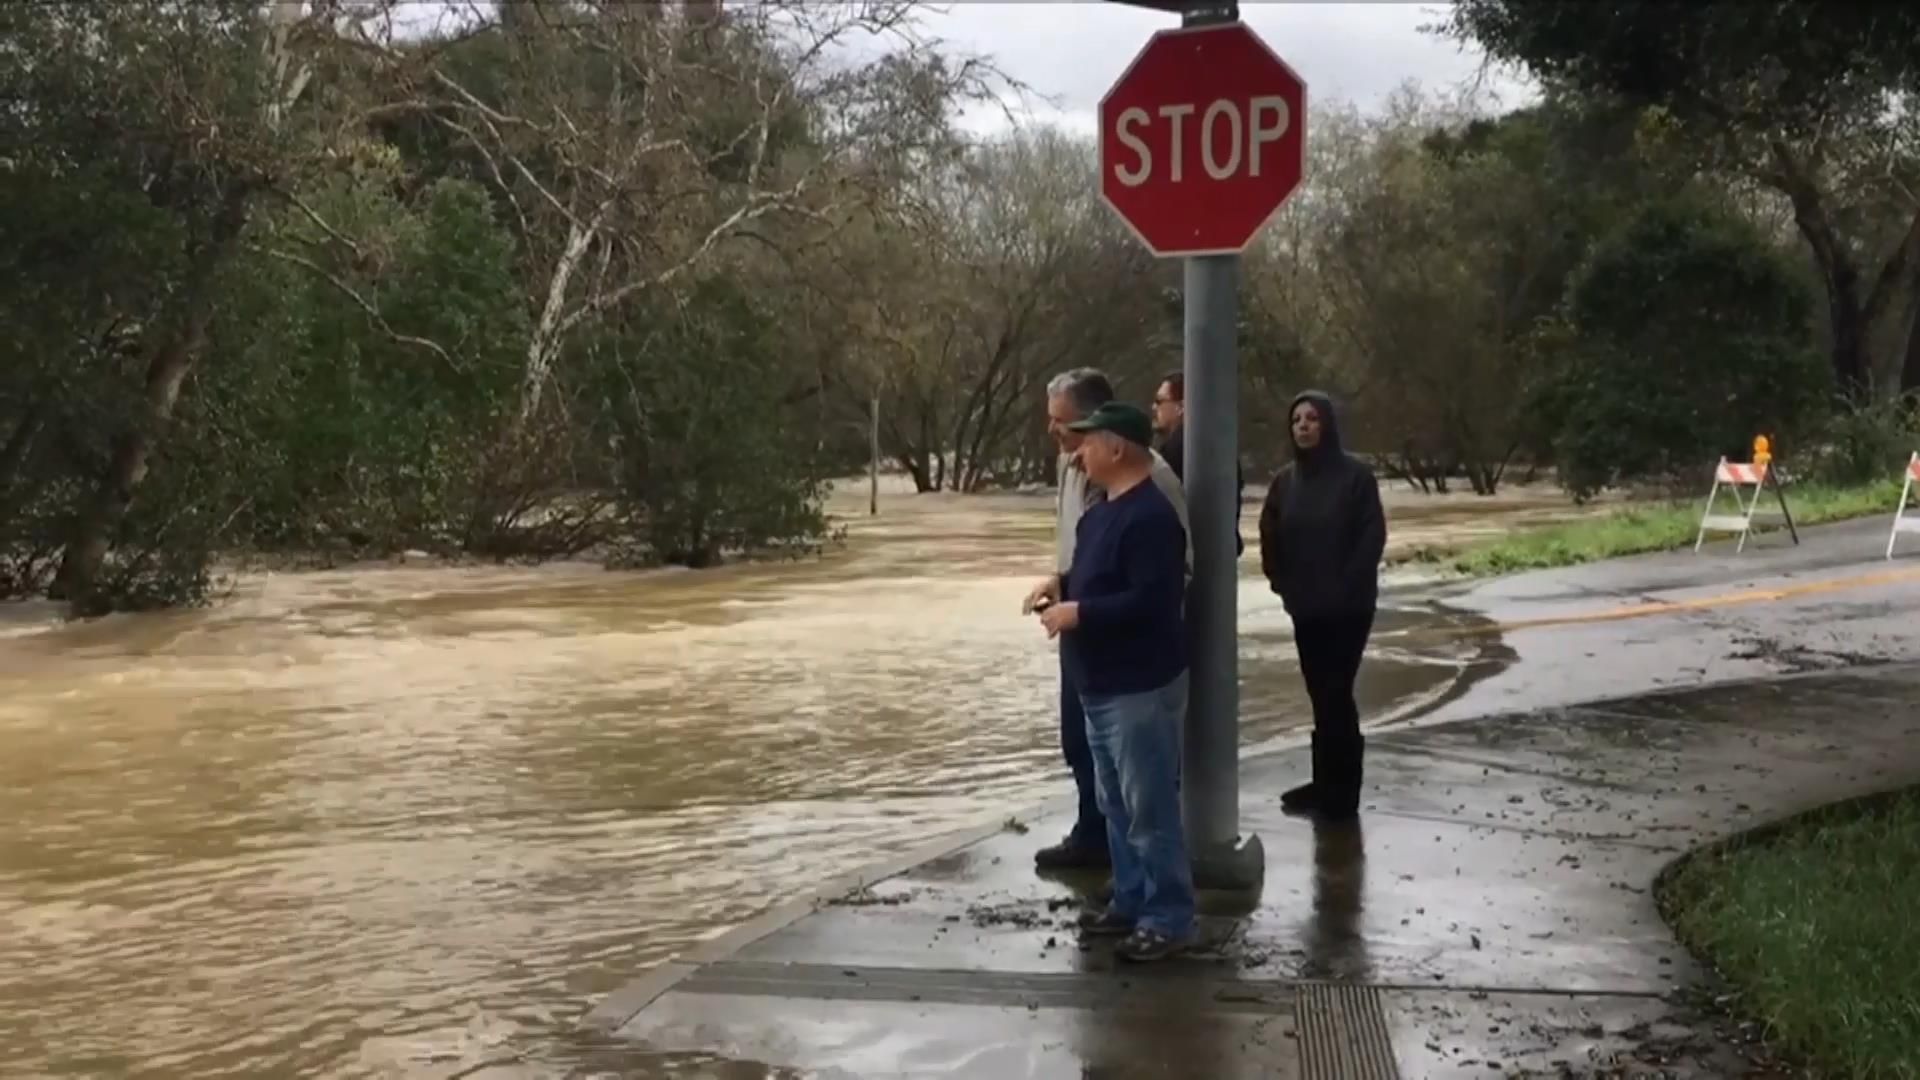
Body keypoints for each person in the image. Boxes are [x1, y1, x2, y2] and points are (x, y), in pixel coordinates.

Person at [1038, 401, 1195, 961]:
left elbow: (1154, 601)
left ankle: (1170, 916)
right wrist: (1060, 585)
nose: (1076, 453)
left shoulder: (1152, 517)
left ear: (1117, 448)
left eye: (1085, 442)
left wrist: (1080, 614)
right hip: (1100, 684)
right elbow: (1096, 577)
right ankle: (1131, 898)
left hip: (1139, 685)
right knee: (1116, 804)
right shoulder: (1101, 512)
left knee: (1149, 808)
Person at [1257, 390, 1386, 822]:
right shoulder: (1284, 482)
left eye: (1312, 419)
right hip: (1305, 606)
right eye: (1296, 420)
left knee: (1336, 692)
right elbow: (1270, 538)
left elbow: (1370, 540)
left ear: (1327, 424)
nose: (1303, 426)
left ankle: (1343, 789)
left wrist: (1344, 588)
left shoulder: (1356, 478)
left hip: (1348, 609)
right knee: (1319, 693)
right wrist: (1283, 586)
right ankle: (1322, 781)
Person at [1151, 370, 1245, 555]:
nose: (1154, 407)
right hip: (1219, 553)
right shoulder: (1220, 446)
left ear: (1181, 407)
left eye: (1160, 401)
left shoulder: (1176, 450)